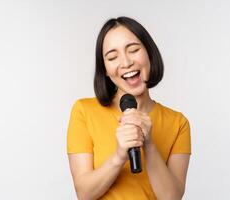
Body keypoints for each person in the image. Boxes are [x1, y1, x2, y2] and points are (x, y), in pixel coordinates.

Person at [67, 16, 191, 200]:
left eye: (133, 50)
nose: (126, 63)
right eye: (112, 57)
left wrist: (148, 143)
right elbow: (84, 193)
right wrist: (118, 157)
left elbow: (172, 197)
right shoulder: (84, 111)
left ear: (149, 53)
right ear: (106, 71)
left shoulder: (178, 123)